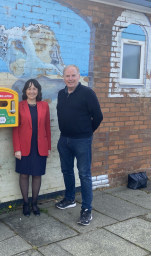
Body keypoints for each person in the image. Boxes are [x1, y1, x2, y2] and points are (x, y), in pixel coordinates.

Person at [55, 65, 103, 226]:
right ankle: (69, 199)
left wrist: (87, 132)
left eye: (73, 75)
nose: (70, 78)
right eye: (67, 76)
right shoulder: (61, 94)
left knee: (84, 174)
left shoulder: (87, 93)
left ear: (79, 76)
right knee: (67, 170)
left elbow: (98, 116)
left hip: (82, 140)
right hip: (64, 139)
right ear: (63, 77)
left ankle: (87, 209)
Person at [12, 79, 51, 216]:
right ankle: (25, 203)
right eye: (29, 88)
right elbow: (15, 129)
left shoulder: (44, 105)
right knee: (24, 174)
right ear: (25, 91)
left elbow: (47, 127)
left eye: (34, 88)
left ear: (38, 91)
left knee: (37, 174)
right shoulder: (19, 105)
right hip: (23, 147)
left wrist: (48, 147)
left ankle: (34, 203)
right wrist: (17, 148)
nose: (32, 91)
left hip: (40, 146)